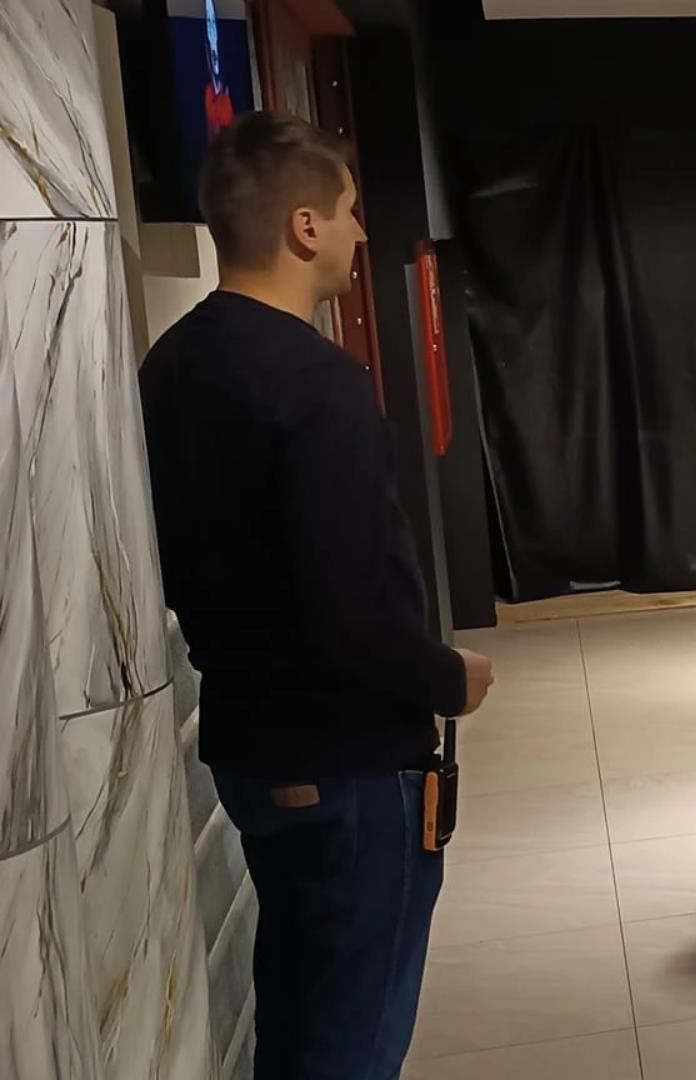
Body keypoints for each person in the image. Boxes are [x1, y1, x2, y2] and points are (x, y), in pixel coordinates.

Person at [139, 111, 495, 1079]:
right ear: (304, 226)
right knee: (352, 1037)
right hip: (346, 759)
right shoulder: (317, 382)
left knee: (298, 1016)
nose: (360, 232)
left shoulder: (168, 365)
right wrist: (449, 676)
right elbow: (353, 606)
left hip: (251, 746)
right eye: (348, 211)